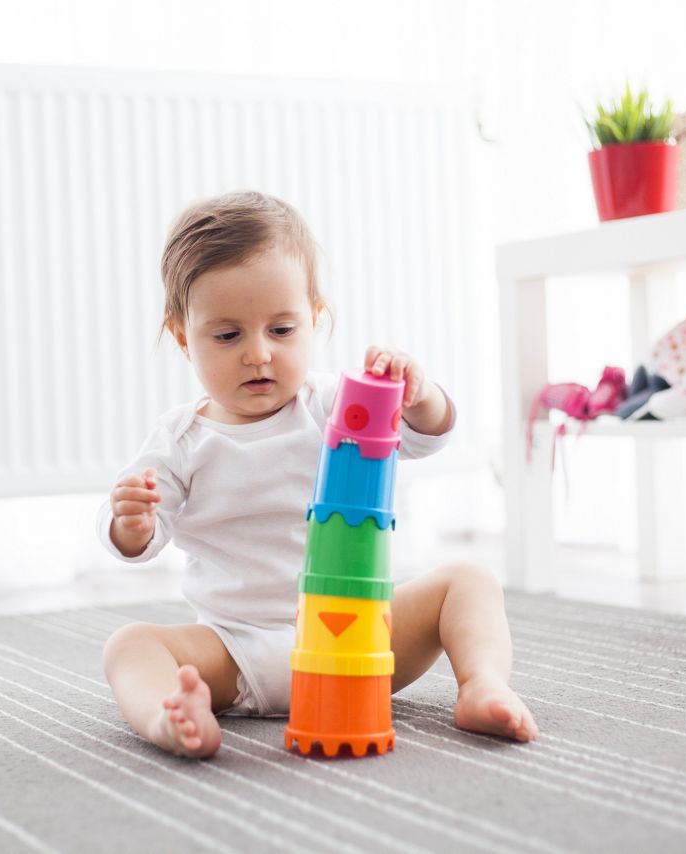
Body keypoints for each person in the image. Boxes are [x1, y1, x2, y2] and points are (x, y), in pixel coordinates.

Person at [98, 190, 537, 757]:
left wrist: (418, 396)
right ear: (184, 337)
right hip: (240, 651)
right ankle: (169, 717)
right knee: (129, 645)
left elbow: (428, 439)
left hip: (364, 637)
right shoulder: (181, 440)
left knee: (470, 580)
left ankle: (483, 684)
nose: (258, 354)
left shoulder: (334, 403)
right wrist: (129, 525)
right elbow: (141, 540)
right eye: (228, 335)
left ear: (314, 319)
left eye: (281, 330)